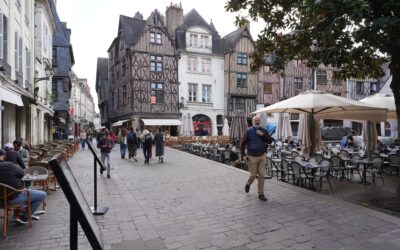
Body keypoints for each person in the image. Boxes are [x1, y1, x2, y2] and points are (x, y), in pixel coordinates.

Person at [0, 149, 47, 224]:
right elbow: (22, 173)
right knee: (42, 195)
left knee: (28, 190)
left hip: (1, 201)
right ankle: (24, 217)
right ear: (3, 156)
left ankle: (22, 211)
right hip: (13, 198)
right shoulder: (9, 165)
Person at [240, 116, 274, 201]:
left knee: (262, 175)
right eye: (255, 120)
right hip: (251, 156)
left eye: (258, 120)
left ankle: (261, 193)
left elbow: (270, 141)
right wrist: (243, 155)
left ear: (260, 122)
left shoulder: (264, 131)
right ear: (252, 122)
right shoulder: (248, 131)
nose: (257, 122)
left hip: (262, 155)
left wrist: (262, 135)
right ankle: (248, 184)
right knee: (253, 175)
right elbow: (242, 144)